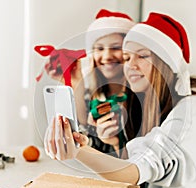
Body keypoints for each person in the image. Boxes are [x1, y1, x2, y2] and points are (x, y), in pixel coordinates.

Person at [44, 12, 196, 188]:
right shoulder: (143, 106)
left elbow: (142, 169)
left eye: (143, 56)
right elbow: (137, 169)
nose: (131, 65)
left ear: (166, 63)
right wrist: (114, 144)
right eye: (128, 57)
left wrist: (80, 149)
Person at [39, 9, 142, 158]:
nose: (107, 56)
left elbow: (139, 162)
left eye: (115, 47)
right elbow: (83, 134)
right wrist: (75, 81)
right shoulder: (93, 94)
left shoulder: (139, 98)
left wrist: (114, 142)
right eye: (99, 48)